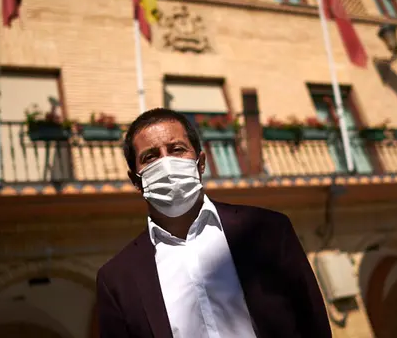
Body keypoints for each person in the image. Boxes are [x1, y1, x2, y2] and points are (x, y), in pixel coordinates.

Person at [96, 108, 332, 338]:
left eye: (177, 149)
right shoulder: (117, 279)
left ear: (200, 163)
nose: (166, 164)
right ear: (135, 180)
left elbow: (313, 323)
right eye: (150, 157)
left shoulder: (269, 231)